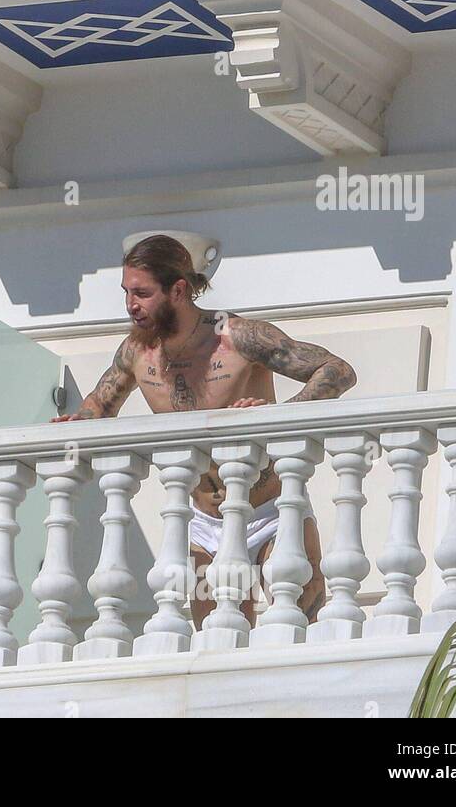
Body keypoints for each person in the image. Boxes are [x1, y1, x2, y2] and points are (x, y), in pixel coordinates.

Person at [54, 235, 357, 626]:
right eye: (127, 292)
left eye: (143, 294)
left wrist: (276, 417)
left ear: (178, 290)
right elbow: (99, 405)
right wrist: (79, 421)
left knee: (302, 624)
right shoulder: (136, 353)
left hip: (271, 512)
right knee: (218, 637)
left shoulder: (237, 338)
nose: (131, 305)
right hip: (204, 523)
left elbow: (338, 371)